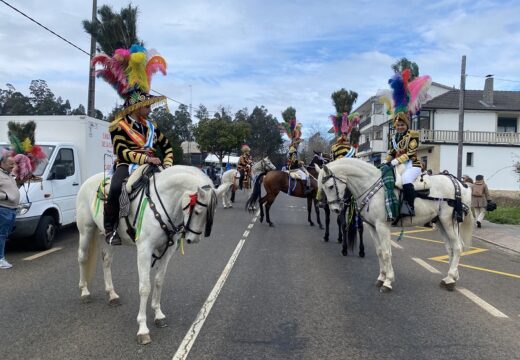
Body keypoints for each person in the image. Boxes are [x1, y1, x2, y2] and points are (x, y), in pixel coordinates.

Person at [93, 44, 173, 245]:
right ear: (136, 107)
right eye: (147, 106)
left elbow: (168, 147)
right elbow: (122, 151)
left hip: (152, 164)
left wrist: (168, 164)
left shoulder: (152, 127)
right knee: (115, 189)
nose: (150, 108)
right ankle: (110, 229)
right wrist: (146, 158)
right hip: (126, 165)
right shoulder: (118, 126)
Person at [380, 69, 431, 218]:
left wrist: (395, 161)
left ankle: (410, 206)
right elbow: (391, 152)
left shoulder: (413, 135)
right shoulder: (394, 137)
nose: (400, 127)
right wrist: (386, 161)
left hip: (412, 165)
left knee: (406, 180)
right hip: (398, 164)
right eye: (398, 125)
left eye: (402, 125)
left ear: (407, 124)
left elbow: (410, 153)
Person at [0, 149, 19, 269]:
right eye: (10, 164)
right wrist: (6, 196)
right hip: (3, 208)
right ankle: (1, 259)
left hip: (11, 209)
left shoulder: (9, 174)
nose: (13, 166)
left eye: (13, 164)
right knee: (1, 235)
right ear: (1, 163)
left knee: (4, 235)